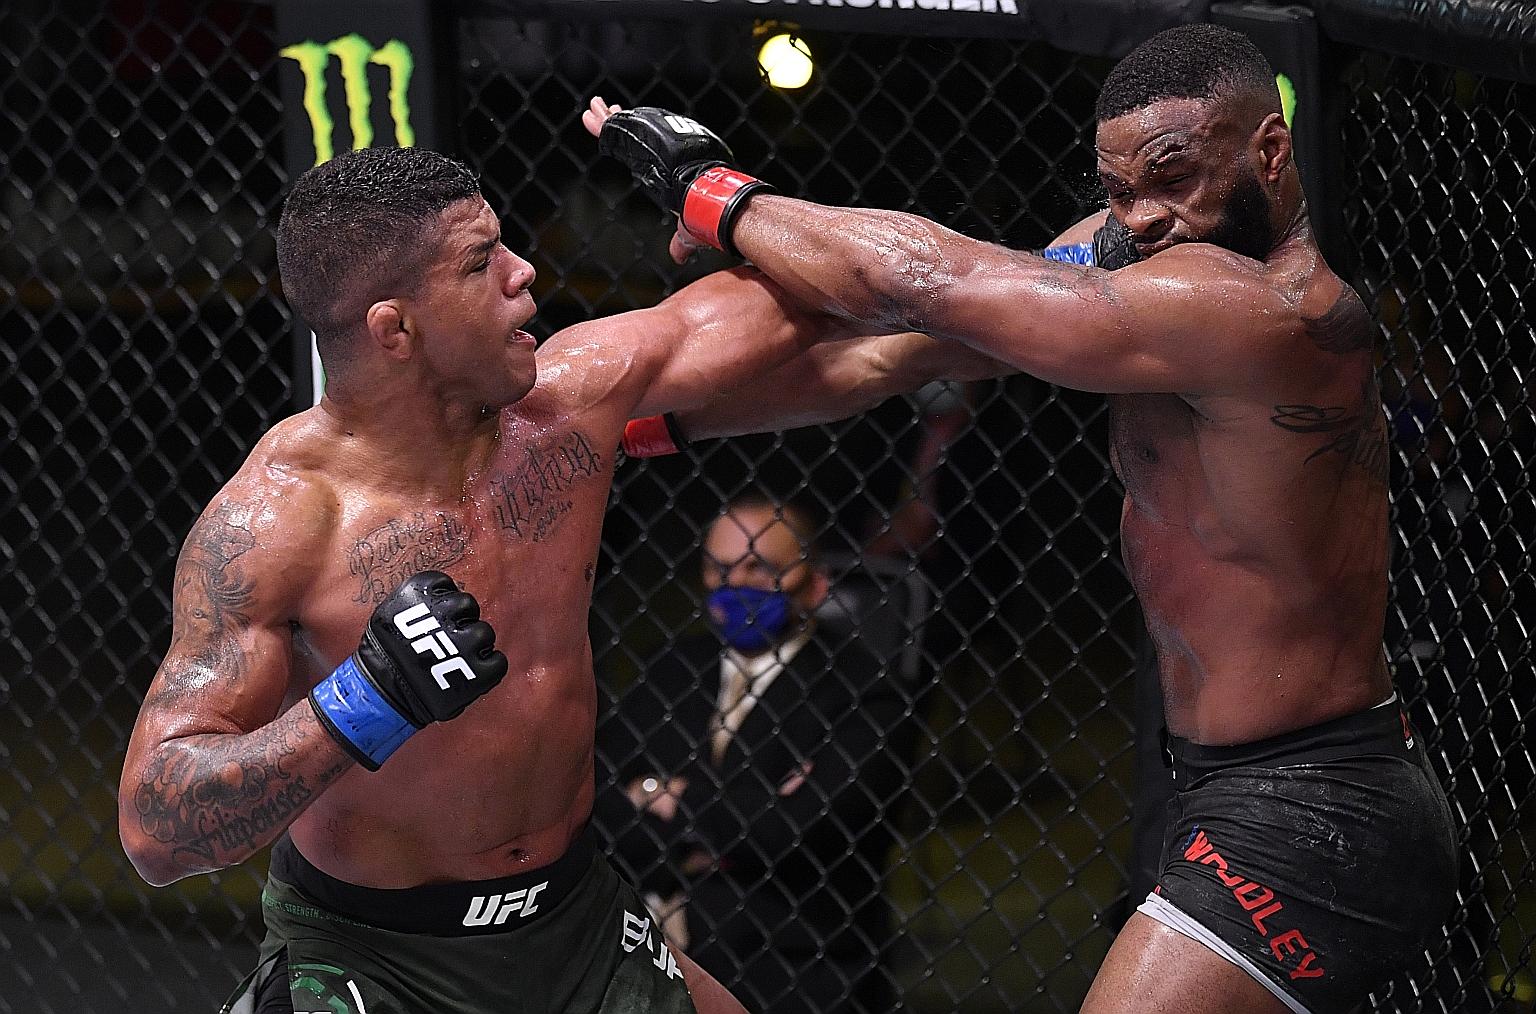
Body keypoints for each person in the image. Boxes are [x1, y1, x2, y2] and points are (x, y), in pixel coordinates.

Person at [589, 21, 1458, 1014]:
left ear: (1267, 150)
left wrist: (716, 194)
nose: (1145, 216)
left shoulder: (1263, 309)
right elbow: (887, 348)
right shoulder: (1145, 255)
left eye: (1174, 177)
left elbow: (926, 278)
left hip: (1311, 807)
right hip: (1222, 787)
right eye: (1119, 189)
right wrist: (641, 424)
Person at [115, 144, 869, 1014]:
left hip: (578, 918)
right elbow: (155, 831)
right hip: (378, 953)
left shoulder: (566, 409)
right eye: (482, 262)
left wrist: (722, 198)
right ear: (395, 329)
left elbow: (862, 313)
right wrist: (366, 700)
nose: (525, 272)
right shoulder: (275, 526)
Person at [593, 491, 912, 1014]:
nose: (735, 585)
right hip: (647, 944)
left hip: (796, 960)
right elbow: (600, 806)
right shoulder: (670, 669)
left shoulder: (863, 691)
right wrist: (738, 814)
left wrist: (665, 795)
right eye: (719, 568)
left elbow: (796, 833)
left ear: (815, 584)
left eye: (759, 568)